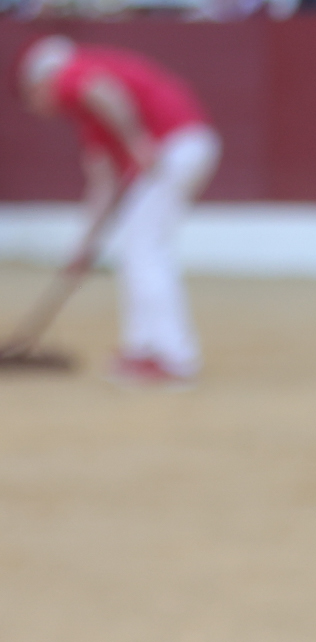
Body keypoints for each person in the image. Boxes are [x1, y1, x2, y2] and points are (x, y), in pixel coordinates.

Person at [16, 37, 223, 384]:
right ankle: (145, 349)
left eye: (32, 93)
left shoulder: (70, 75)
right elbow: (105, 188)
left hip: (175, 145)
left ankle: (173, 356)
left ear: (42, 80)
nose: (35, 103)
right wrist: (85, 247)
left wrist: (137, 140)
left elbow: (103, 91)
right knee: (139, 245)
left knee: (144, 246)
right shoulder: (89, 119)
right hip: (184, 145)